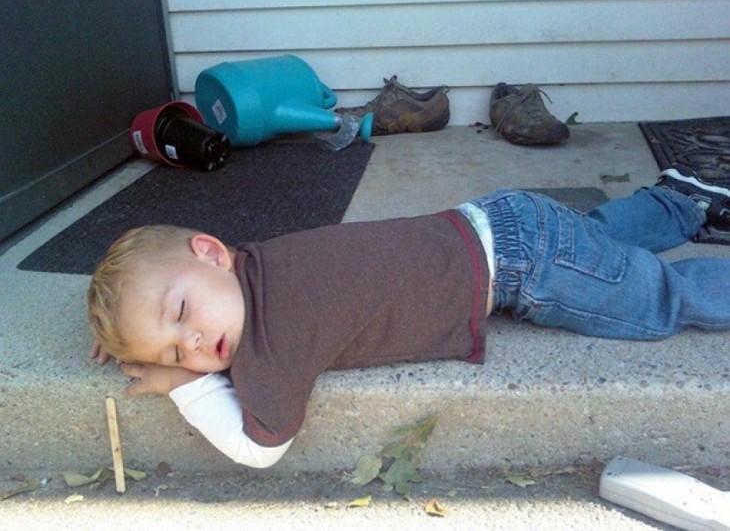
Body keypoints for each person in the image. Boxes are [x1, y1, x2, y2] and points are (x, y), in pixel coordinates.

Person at [87, 164, 730, 469]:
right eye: (177, 350)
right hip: (502, 221)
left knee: (657, 300)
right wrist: (134, 330)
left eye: (181, 314)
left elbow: (261, 449)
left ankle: (680, 217)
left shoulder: (276, 338)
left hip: (523, 268)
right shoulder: (256, 265)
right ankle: (677, 203)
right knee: (593, 246)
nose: (196, 342)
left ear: (210, 252)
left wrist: (185, 383)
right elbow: (154, 286)